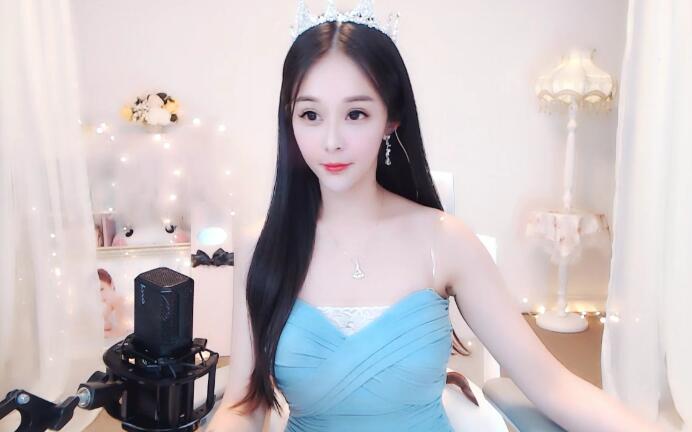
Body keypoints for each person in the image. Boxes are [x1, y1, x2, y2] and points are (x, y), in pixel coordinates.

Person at [207, 2, 662, 431]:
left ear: (390, 120)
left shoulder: (444, 241)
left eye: (356, 114)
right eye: (310, 114)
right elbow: (244, 403)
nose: (331, 141)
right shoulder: (261, 245)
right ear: (289, 120)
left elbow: (552, 385)